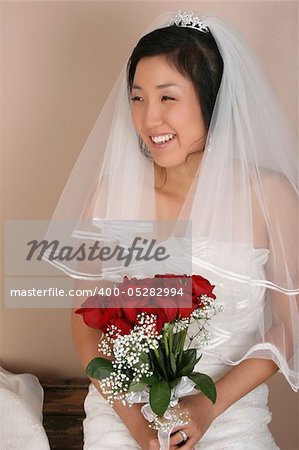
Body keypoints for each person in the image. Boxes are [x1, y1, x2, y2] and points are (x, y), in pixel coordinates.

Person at [46, 10, 298, 450]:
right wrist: (133, 421)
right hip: (118, 417)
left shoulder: (268, 196)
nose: (147, 120)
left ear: (211, 99)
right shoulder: (110, 195)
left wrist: (206, 407)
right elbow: (85, 321)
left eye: (167, 98)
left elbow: (289, 327)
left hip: (229, 416)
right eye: (137, 97)